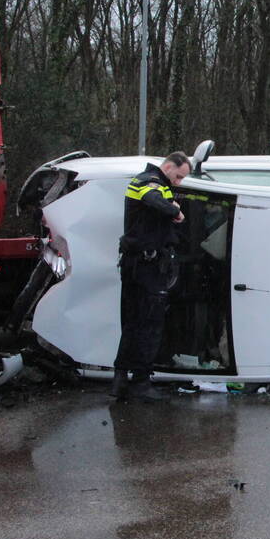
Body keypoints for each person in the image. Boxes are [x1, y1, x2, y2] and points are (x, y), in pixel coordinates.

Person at [112, 151, 191, 401]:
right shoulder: (149, 181)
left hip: (135, 263)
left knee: (133, 323)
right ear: (168, 166)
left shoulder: (146, 180)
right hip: (147, 266)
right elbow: (153, 199)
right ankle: (141, 383)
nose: (178, 182)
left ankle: (121, 378)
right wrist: (174, 212)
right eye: (178, 176)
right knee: (150, 325)